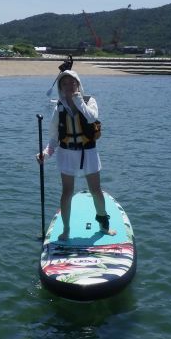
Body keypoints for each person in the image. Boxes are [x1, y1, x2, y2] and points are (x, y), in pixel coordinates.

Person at [36, 70, 114, 241]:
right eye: (65, 83)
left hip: (89, 152)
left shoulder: (89, 101)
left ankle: (104, 225)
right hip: (67, 153)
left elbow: (92, 117)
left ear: (78, 84)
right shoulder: (59, 107)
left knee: (96, 190)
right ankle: (66, 229)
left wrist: (78, 101)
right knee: (67, 192)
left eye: (73, 83)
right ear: (60, 87)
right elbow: (54, 138)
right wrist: (45, 154)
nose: (69, 86)